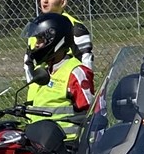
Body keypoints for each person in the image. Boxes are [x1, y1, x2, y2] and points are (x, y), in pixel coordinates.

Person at [21, 13, 95, 144]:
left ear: (54, 41)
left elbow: (91, 115)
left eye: (40, 40)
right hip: (38, 140)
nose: (36, 45)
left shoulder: (75, 72)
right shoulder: (43, 69)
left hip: (65, 146)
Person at [31, 0, 94, 79]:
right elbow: (29, 61)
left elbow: (86, 63)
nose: (45, 1)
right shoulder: (36, 27)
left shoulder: (76, 28)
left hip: (67, 85)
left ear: (63, 2)